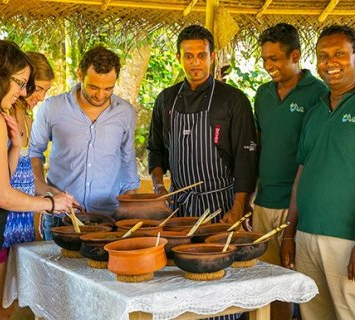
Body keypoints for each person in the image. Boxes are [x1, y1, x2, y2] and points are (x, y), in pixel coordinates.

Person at [281, 25, 355, 320]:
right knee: (314, 314)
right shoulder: (315, 112)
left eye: (339, 54)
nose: (330, 62)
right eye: (323, 56)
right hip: (308, 236)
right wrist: (289, 232)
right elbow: (302, 175)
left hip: (350, 241)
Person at [0, 40, 74, 320]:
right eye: (27, 85)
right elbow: (1, 192)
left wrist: (51, 193)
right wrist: (49, 204)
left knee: (7, 306)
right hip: (2, 221)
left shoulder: (15, 117)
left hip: (13, 220)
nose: (33, 95)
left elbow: (15, 175)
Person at [252, 23, 327, 320]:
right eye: (264, 60)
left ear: (295, 55)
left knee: (290, 283)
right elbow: (259, 144)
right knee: (262, 284)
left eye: (275, 59)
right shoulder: (262, 94)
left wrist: (296, 214)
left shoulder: (318, 93)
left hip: (297, 207)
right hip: (263, 204)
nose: (268, 66)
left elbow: (316, 156)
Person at [147, 25, 257, 227]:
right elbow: (156, 149)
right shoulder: (166, 99)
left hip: (220, 208)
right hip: (177, 209)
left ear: (212, 56)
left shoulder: (233, 100)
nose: (195, 63)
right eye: (188, 56)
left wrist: (239, 207)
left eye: (201, 55)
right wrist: (158, 186)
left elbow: (246, 159)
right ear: (178, 57)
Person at [30, 46, 140, 240]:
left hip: (108, 216)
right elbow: (34, 152)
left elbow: (127, 158)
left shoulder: (125, 112)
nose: (100, 95)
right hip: (60, 216)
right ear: (80, 74)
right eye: (93, 87)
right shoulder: (52, 108)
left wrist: (131, 202)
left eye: (108, 88)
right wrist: (46, 193)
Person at [3, 52, 60, 249]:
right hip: (2, 221)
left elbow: (24, 178)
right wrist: (49, 204)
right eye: (38, 89)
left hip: (23, 223)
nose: (42, 97)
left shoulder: (28, 120)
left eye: (46, 91)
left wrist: (55, 194)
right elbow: (1, 185)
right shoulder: (1, 117)